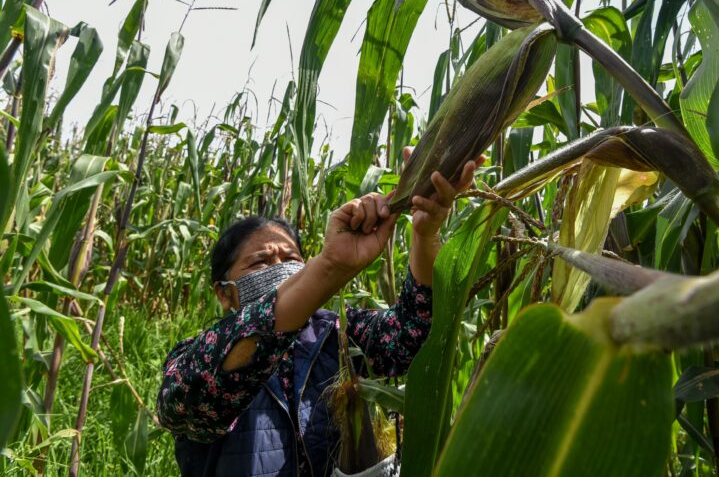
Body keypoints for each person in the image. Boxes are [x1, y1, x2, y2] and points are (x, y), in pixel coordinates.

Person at [156, 156, 483, 477]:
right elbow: (190, 405)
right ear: (224, 293)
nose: (279, 269)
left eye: (291, 259)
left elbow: (410, 339)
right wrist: (330, 268)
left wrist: (424, 236)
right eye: (260, 263)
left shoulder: (335, 332)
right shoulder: (198, 358)